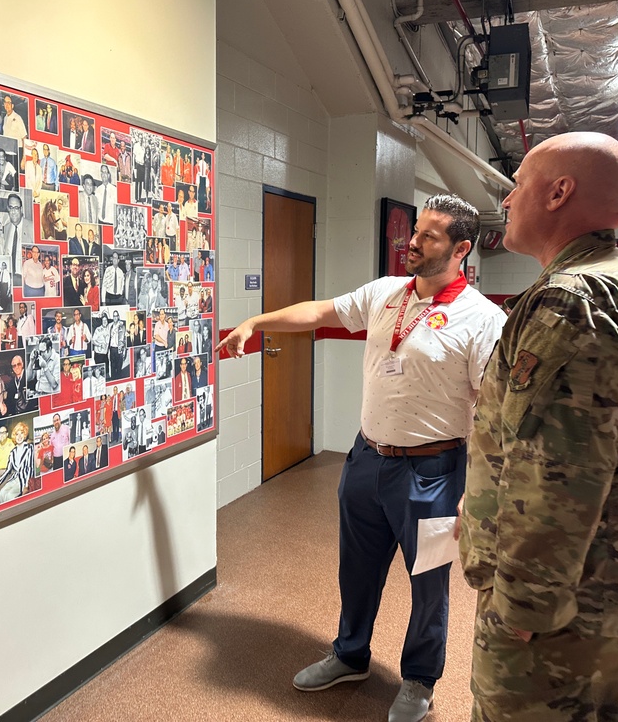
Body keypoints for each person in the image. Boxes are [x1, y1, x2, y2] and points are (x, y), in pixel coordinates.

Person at [217, 194, 506, 722]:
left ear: (462, 248)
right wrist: (257, 322)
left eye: (429, 236)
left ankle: (419, 680)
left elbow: (494, 412)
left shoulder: (483, 319)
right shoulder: (386, 293)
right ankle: (350, 654)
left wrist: (479, 490)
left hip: (433, 471)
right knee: (357, 569)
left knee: (428, 584)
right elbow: (321, 310)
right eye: (414, 231)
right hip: (367, 458)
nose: (411, 242)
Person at [459, 133, 618, 722]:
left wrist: (525, 609)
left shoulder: (571, 302)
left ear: (559, 193)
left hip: (561, 616)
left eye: (516, 188)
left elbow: (555, 477)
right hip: (614, 583)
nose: (505, 204)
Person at [0, 421, 34, 503]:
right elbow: (8, 470)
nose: (19, 436)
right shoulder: (12, 452)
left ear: (25, 434)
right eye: (17, 434)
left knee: (10, 496)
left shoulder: (29, 448)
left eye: (21, 433)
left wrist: (26, 486)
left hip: (24, 479)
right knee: (2, 493)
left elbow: (30, 468)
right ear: (14, 436)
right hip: (15, 478)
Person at [3, 193, 26, 286]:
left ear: (21, 209)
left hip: (25, 278)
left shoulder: (31, 227)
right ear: (8, 209)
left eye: (16, 208)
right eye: (11, 208)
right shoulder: (6, 228)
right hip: (9, 277)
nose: (13, 211)